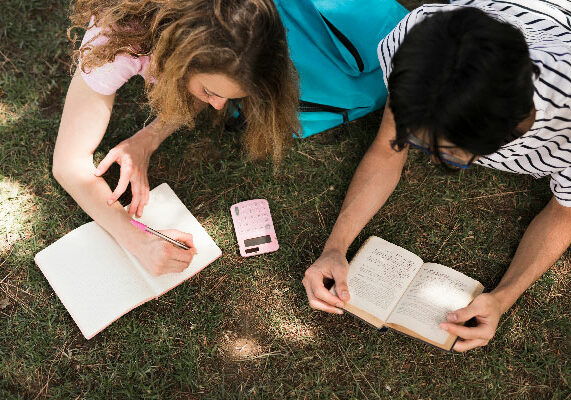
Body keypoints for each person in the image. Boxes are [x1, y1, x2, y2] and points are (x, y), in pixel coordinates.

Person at [303, 0, 571, 351]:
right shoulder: (421, 42)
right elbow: (387, 150)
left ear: (499, 138)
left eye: (442, 152)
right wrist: (335, 248)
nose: (417, 150)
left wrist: (502, 298)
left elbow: (565, 211)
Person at [53, 0, 299, 275]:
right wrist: (138, 242)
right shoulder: (117, 41)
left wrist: (148, 138)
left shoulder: (246, 26)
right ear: (178, 57)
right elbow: (68, 163)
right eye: (210, 91)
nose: (218, 106)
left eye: (229, 96)